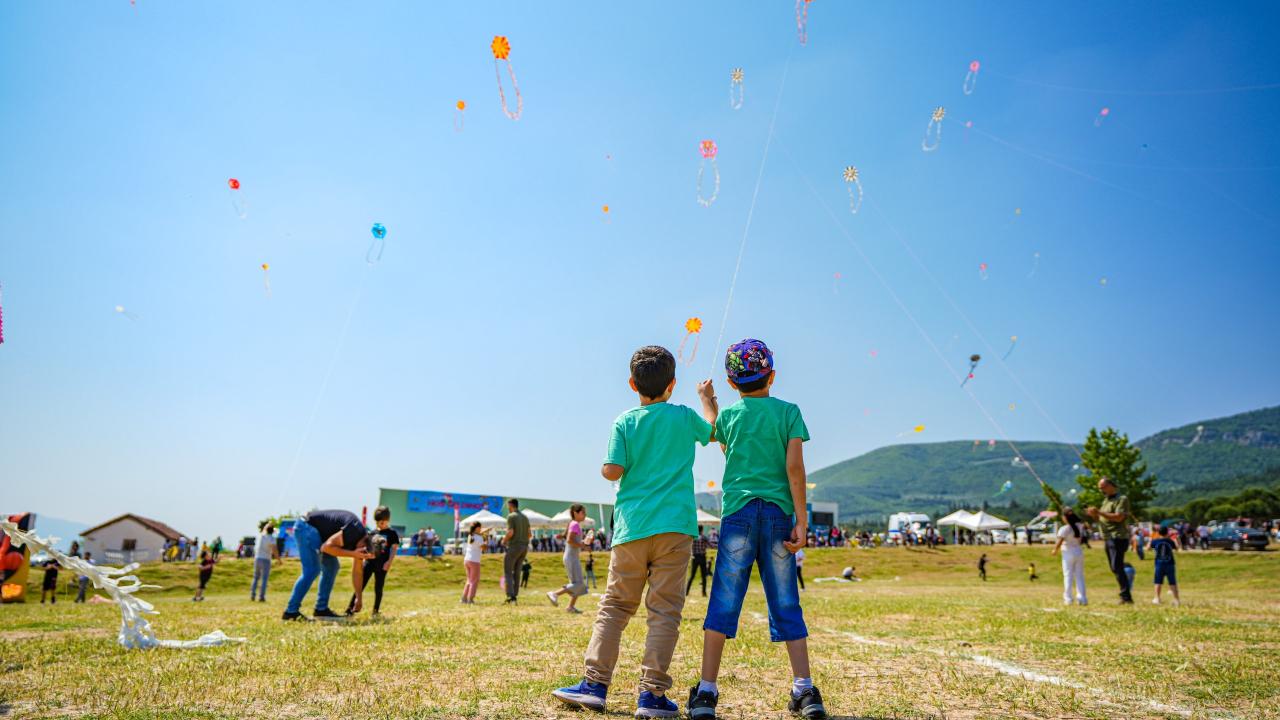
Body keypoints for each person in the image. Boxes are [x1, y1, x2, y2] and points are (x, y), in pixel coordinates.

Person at [553, 345, 717, 717]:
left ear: (632, 383)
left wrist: (607, 469)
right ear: (673, 385)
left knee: (615, 606)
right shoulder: (684, 416)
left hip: (632, 528)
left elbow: (613, 469)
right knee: (665, 612)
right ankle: (652, 695)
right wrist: (708, 398)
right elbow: (713, 430)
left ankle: (594, 685)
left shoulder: (624, 421)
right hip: (675, 528)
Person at [687, 338, 827, 720]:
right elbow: (794, 469)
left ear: (732, 384)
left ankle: (706, 693)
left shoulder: (730, 416)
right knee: (785, 601)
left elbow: (719, 437)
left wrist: (707, 400)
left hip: (739, 517)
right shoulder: (789, 412)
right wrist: (802, 519)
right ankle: (805, 690)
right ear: (773, 376)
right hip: (780, 515)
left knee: (724, 599)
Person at [283, 509, 374, 621]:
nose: (362, 556)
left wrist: (358, 597)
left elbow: (357, 572)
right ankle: (290, 611)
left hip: (319, 534)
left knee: (332, 567)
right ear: (365, 544)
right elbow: (326, 547)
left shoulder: (361, 544)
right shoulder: (354, 530)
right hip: (306, 527)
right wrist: (352, 554)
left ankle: (321, 609)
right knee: (312, 569)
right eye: (364, 554)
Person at [1085, 477, 1134, 604]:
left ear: (1112, 486)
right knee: (1114, 567)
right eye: (1100, 488)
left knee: (1116, 566)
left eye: (1103, 487)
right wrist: (1094, 515)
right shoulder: (1106, 500)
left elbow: (1119, 517)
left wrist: (1099, 512)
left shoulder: (1121, 499)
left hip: (1117, 537)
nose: (1101, 490)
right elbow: (1102, 519)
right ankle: (1125, 593)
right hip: (1108, 538)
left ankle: (1126, 597)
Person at [345, 506, 399, 617]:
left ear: (388, 520)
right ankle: (350, 609)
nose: (380, 524)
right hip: (369, 563)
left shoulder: (392, 533)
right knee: (360, 586)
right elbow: (367, 547)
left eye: (382, 522)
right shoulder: (372, 533)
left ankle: (375, 610)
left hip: (382, 565)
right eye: (378, 522)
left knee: (378, 588)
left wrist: (389, 562)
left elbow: (393, 549)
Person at [547, 504, 591, 614]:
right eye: (583, 513)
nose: (585, 515)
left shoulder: (573, 524)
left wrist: (583, 543)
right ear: (576, 513)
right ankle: (555, 594)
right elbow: (570, 540)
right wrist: (583, 546)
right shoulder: (575, 524)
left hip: (572, 557)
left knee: (576, 583)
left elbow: (569, 539)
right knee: (579, 584)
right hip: (571, 558)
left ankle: (570, 607)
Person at [1052, 509, 1088, 605]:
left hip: (1068, 552)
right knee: (1079, 575)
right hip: (1078, 551)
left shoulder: (1064, 528)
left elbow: (1059, 541)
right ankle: (1082, 598)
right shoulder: (1080, 527)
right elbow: (1081, 540)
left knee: (1068, 575)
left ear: (1065, 517)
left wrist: (1055, 550)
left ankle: (1068, 599)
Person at [501, 499, 532, 603]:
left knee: (508, 571)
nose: (507, 508)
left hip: (514, 546)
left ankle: (510, 596)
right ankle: (515, 594)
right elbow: (529, 534)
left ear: (510, 505)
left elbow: (510, 532)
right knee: (517, 572)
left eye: (507, 506)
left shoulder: (511, 516)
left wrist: (504, 541)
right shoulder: (525, 517)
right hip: (524, 547)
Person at [1150, 526, 1180, 606]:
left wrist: (1152, 537)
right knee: (1172, 582)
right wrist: (1175, 539)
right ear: (1167, 533)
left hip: (1159, 564)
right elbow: (1177, 548)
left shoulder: (1155, 541)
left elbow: (1147, 548)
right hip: (1170, 564)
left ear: (1158, 533)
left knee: (1158, 582)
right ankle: (1176, 600)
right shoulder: (1170, 541)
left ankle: (1157, 598)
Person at [461, 521, 488, 604]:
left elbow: (477, 536)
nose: (481, 529)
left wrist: (483, 533)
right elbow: (484, 548)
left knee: (469, 580)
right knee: (474, 581)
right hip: (474, 561)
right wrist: (486, 539)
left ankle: (464, 598)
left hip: (467, 560)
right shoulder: (479, 538)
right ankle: (470, 599)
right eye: (480, 528)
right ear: (477, 528)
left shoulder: (470, 535)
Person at [251, 522, 278, 602]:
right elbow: (274, 550)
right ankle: (261, 597)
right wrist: (278, 559)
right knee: (264, 579)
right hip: (266, 559)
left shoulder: (261, 536)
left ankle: (252, 595)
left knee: (255, 578)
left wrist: (268, 525)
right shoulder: (271, 538)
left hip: (257, 558)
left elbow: (264, 530)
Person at [686, 526, 711, 597]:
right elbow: (711, 545)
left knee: (692, 576)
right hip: (702, 557)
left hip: (695, 557)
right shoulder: (704, 537)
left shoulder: (693, 537)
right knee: (704, 576)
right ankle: (704, 593)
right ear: (702, 530)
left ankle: (686, 592)